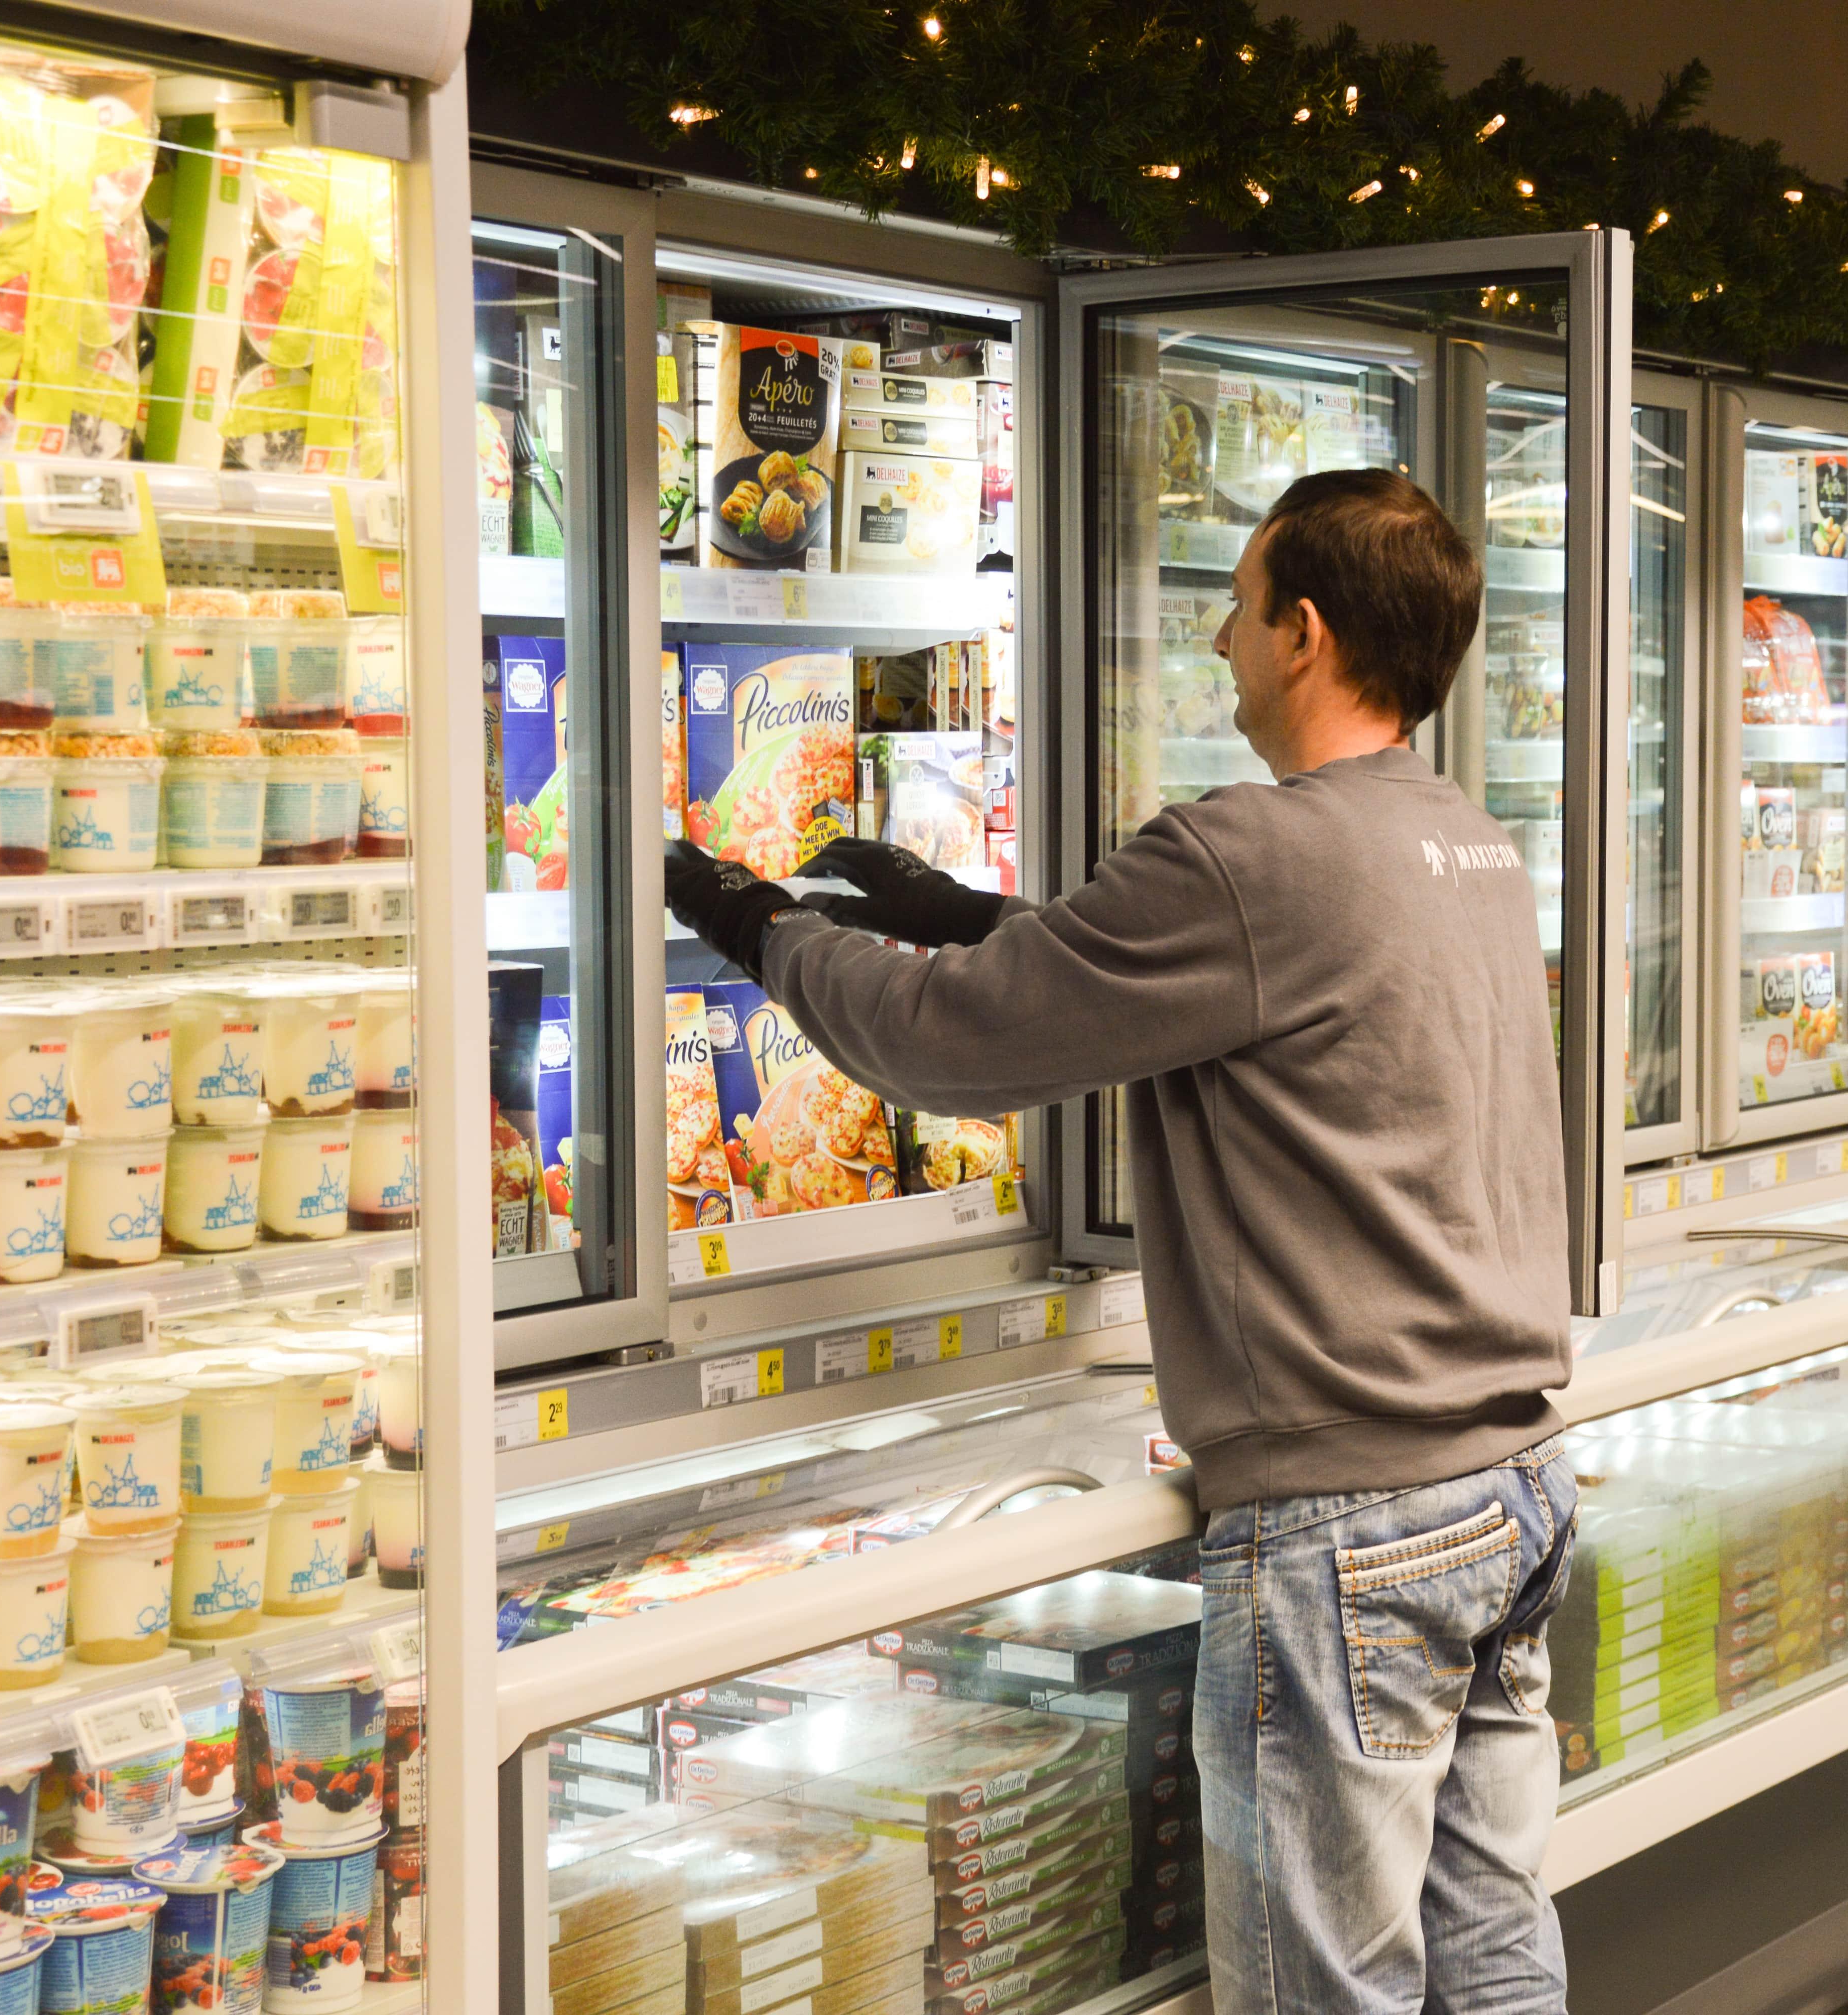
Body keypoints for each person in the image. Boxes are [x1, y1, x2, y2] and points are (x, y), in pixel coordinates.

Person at [664, 466, 1579, 2014]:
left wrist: (761, 926)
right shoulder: (1464, 841)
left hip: (1349, 1525)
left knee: (1326, 1994)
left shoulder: (1252, 850)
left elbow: (951, 1045)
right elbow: (1218, 970)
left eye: (1238, 607)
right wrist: (965, 912)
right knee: (1491, 1960)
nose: (1219, 640)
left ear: (1304, 633)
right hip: (1511, 1486)